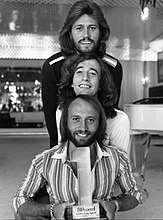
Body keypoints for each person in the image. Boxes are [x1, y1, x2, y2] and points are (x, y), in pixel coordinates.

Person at [13, 95, 143, 220]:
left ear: (100, 124)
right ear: (65, 122)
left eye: (90, 120)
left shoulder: (117, 158)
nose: (83, 128)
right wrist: (51, 209)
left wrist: (115, 205)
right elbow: (19, 201)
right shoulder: (44, 161)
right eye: (76, 119)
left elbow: (135, 194)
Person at [42, 0, 123, 148]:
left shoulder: (113, 68)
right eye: (79, 28)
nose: (86, 35)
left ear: (101, 32)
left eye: (92, 28)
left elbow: (108, 116)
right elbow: (53, 126)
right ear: (70, 33)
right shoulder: (52, 67)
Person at [57, 53, 130, 154]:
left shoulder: (119, 120)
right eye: (79, 72)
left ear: (100, 83)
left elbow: (120, 165)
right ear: (71, 82)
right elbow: (62, 152)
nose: (85, 78)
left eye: (92, 73)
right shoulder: (61, 111)